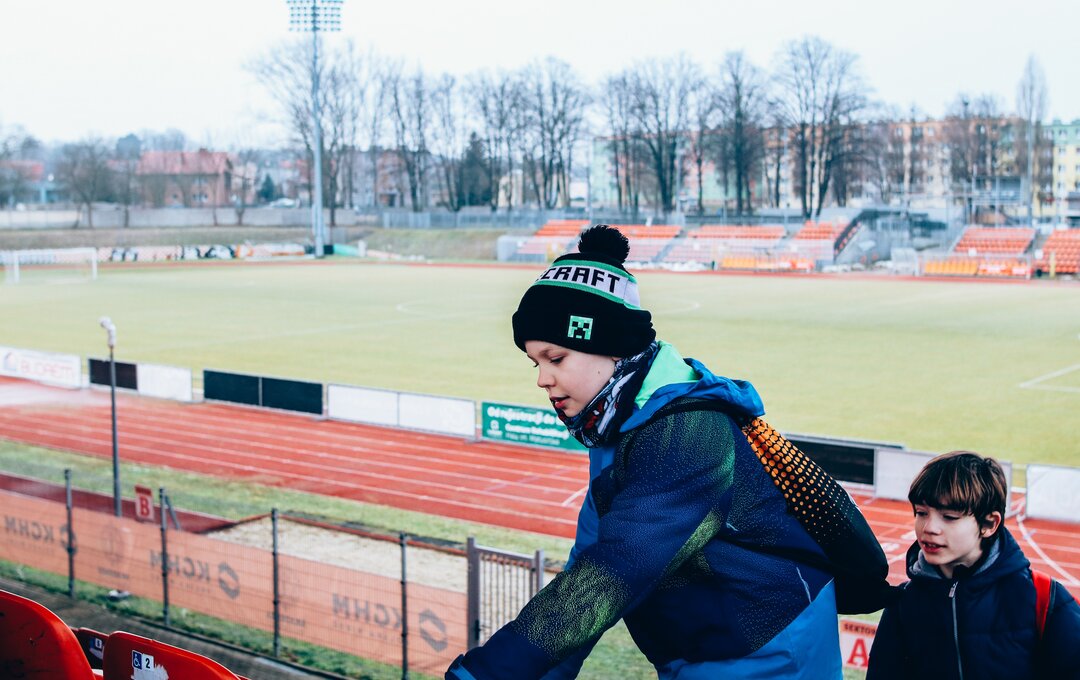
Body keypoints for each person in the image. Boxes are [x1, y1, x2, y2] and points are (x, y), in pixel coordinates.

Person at [446, 225, 852, 679]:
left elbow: (617, 570)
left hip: (771, 655)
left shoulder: (687, 434)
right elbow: (592, 558)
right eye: (535, 362)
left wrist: (484, 674)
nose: (542, 379)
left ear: (612, 348)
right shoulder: (616, 425)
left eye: (555, 358)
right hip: (705, 649)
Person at [867, 450, 1080, 680]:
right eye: (921, 513)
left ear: (989, 524)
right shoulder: (903, 604)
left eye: (949, 517)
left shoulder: (1044, 597)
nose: (929, 527)